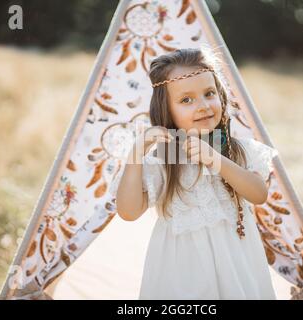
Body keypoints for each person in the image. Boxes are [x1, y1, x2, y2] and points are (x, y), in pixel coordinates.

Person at [110, 48, 278, 299]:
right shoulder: (164, 160)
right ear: (167, 110)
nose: (202, 106)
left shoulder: (237, 149)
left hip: (236, 259)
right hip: (181, 268)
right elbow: (128, 211)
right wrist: (137, 153)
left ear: (220, 95)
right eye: (186, 100)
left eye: (209, 94)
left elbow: (258, 194)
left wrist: (216, 159)